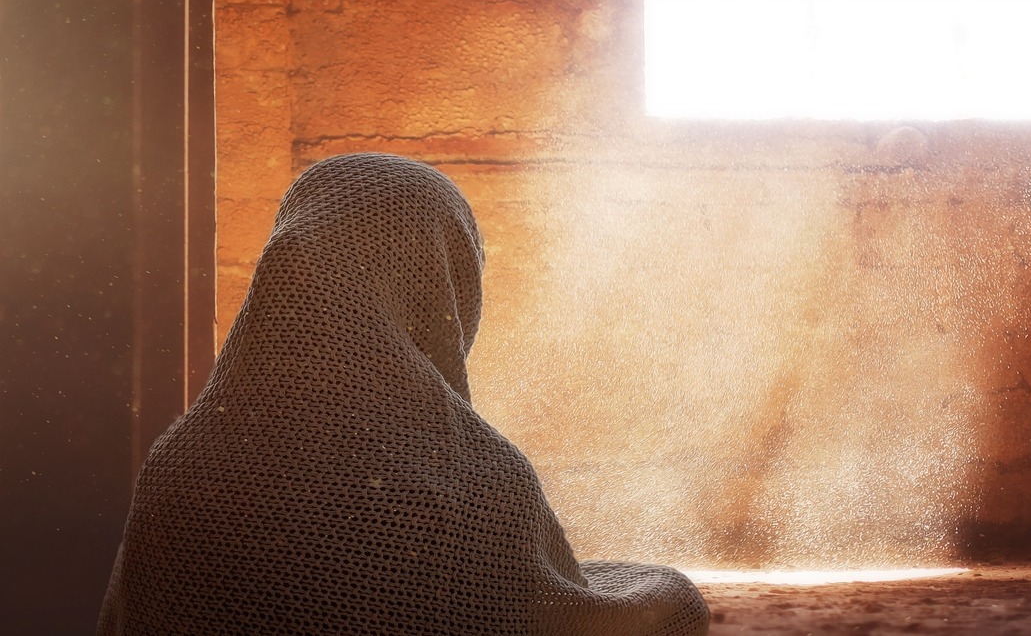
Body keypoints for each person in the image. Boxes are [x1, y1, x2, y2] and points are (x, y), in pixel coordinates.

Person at [97, 153, 710, 635]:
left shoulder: (181, 462)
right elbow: (544, 617)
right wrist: (663, 594)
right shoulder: (474, 481)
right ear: (438, 285)